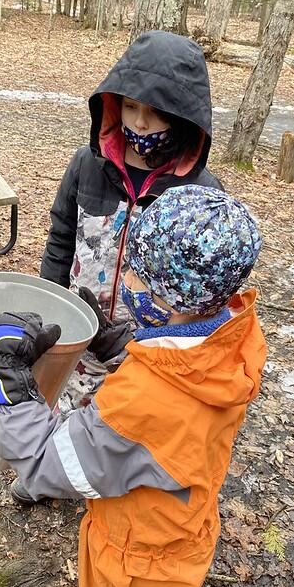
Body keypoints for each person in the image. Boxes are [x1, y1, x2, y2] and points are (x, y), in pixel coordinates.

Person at [0, 186, 266, 587]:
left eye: (135, 273)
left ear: (169, 298)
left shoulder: (143, 403)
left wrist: (11, 387)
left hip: (138, 558)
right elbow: (178, 396)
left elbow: (43, 464)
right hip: (177, 528)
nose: (125, 281)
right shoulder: (231, 337)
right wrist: (125, 352)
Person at [39, 29, 223, 421]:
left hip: (146, 359)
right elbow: (60, 241)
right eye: (130, 106)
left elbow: (204, 295)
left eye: (156, 112)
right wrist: (50, 313)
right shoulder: (87, 166)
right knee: (64, 432)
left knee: (119, 446)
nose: (139, 123)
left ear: (183, 116)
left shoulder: (199, 193)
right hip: (76, 342)